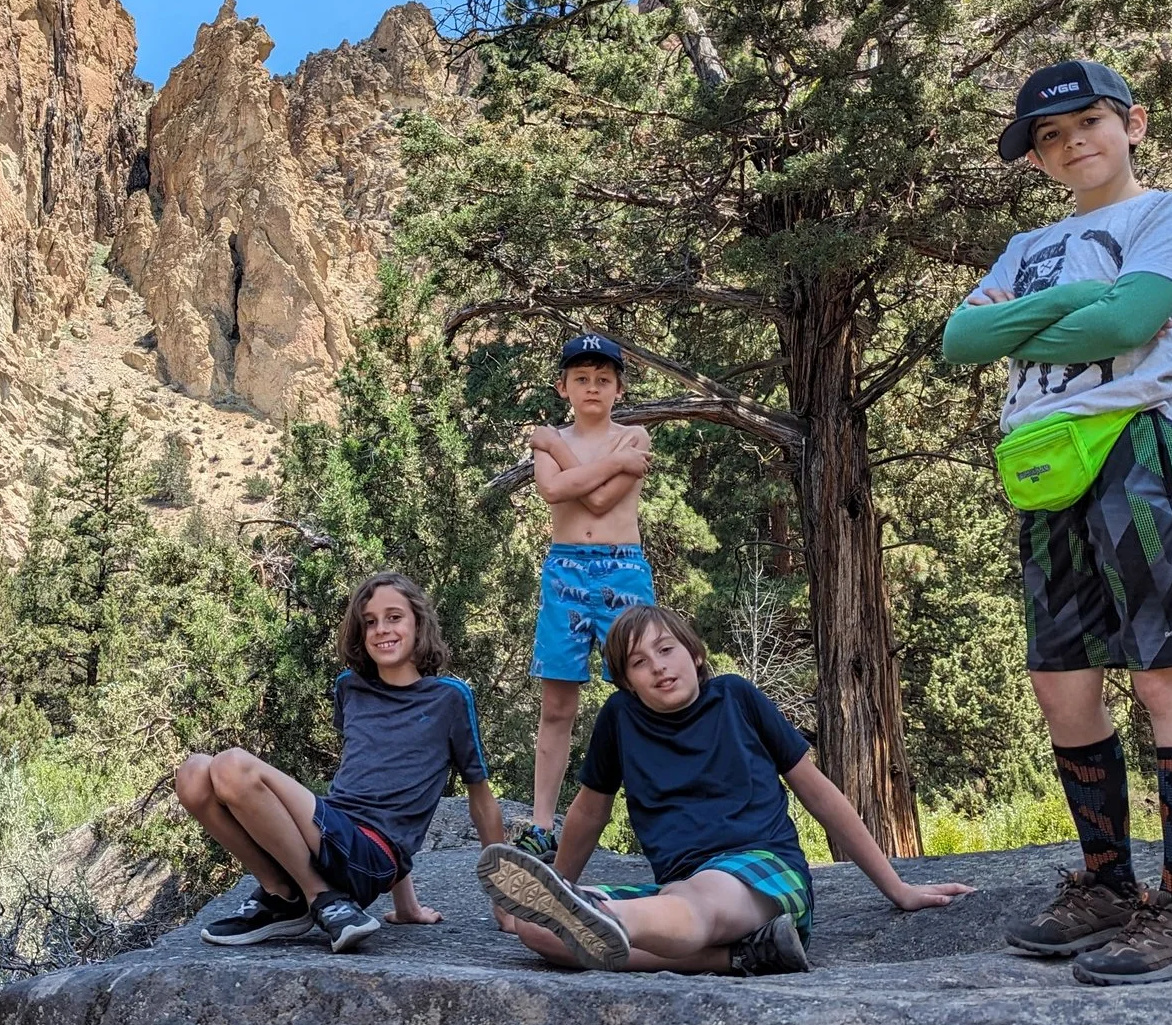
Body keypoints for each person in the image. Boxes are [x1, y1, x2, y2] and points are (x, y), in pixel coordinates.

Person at [941, 57, 1172, 984]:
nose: (1072, 143)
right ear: (1037, 159)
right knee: (1061, 678)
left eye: (1088, 122)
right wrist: (1081, 299)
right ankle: (1108, 887)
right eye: (1049, 136)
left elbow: (1132, 327)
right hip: (1043, 463)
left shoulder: (1170, 215)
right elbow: (960, 340)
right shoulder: (1025, 243)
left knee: (1166, 671)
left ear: (1134, 125)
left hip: (1142, 440)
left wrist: (1045, 320)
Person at [478, 604, 971, 973]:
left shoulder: (736, 696)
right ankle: (733, 958)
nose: (658, 666)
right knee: (537, 927)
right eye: (639, 662)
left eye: (666, 649)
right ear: (628, 683)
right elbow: (588, 813)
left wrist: (897, 887)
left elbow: (818, 792)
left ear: (694, 654)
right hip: (676, 890)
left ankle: (611, 918)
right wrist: (559, 886)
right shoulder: (619, 720)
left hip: (761, 875)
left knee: (697, 901)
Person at [174, 571, 504, 953]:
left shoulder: (449, 698)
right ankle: (282, 894)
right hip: (331, 836)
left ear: (418, 622)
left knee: (232, 765)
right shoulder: (350, 686)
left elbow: (478, 800)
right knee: (194, 774)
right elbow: (372, 781)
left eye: (394, 617)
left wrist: (502, 899)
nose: (382, 629)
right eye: (369, 622)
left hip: (371, 857)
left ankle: (320, 897)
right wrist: (407, 907)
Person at [514, 331, 655, 863]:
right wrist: (575, 453)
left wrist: (554, 447)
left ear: (619, 389)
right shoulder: (569, 442)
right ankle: (543, 822)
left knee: (644, 691)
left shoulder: (632, 435)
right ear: (563, 386)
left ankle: (655, 815)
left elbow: (597, 500)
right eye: (581, 379)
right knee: (557, 701)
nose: (592, 387)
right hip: (565, 569)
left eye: (603, 379)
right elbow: (552, 493)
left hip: (624, 569)